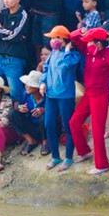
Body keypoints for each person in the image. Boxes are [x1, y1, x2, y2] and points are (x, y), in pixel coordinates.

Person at [69, 27, 109, 175]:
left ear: (99, 43)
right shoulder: (88, 51)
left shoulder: (107, 54)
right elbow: (72, 37)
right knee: (74, 122)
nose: (88, 44)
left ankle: (102, 165)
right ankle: (84, 151)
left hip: (101, 95)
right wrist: (82, 31)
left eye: (91, 41)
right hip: (89, 93)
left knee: (97, 131)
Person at [41, 26, 81, 171]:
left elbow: (67, 65)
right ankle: (55, 157)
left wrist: (68, 51)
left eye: (54, 38)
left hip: (65, 95)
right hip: (50, 95)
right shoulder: (53, 53)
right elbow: (45, 69)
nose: (51, 41)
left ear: (62, 39)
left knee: (68, 126)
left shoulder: (73, 55)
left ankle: (68, 157)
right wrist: (43, 83)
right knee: (49, 124)